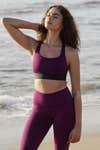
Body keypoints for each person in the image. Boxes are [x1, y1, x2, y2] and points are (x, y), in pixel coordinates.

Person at [1, 5, 82, 150]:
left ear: (63, 24)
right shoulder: (33, 46)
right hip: (39, 108)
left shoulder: (70, 52)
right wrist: (37, 27)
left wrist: (78, 126)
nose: (49, 18)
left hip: (63, 108)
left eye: (55, 16)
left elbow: (76, 92)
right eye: (48, 15)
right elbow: (6, 22)